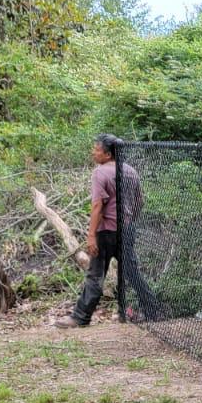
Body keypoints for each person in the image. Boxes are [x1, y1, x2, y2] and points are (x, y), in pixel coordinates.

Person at [54, 134, 160, 327]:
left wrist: (91, 235)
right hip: (126, 230)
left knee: (95, 274)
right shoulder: (131, 172)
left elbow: (97, 206)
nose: (93, 152)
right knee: (132, 273)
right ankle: (154, 311)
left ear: (108, 154)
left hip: (105, 232)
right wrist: (129, 221)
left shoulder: (100, 173)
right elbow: (139, 202)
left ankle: (80, 317)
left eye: (97, 149)